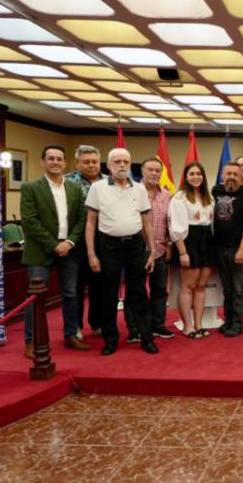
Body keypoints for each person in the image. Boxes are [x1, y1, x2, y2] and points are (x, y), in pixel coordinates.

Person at [85, 148, 158, 355]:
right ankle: (110, 340)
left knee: (139, 293)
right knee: (108, 294)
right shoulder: (97, 188)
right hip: (108, 246)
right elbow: (90, 224)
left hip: (135, 245)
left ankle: (146, 338)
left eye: (126, 161)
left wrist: (152, 251)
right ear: (108, 165)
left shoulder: (139, 188)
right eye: (117, 161)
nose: (122, 165)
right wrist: (91, 254)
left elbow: (147, 223)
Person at [21, 145, 90, 359]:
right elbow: (29, 221)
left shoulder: (74, 188)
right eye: (51, 158)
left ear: (65, 163)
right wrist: (54, 245)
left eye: (59, 159)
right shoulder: (31, 187)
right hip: (40, 251)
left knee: (70, 294)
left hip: (69, 250)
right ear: (43, 162)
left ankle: (71, 335)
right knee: (36, 298)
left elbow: (82, 218)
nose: (55, 162)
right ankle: (31, 341)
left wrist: (69, 242)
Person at [123, 158, 174, 342]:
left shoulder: (167, 195)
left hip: (160, 250)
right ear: (142, 171)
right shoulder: (132, 192)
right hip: (136, 251)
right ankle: (135, 329)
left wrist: (169, 245)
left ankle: (157, 325)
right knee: (135, 291)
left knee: (160, 290)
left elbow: (170, 222)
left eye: (157, 170)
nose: (154, 173)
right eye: (150, 170)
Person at [169, 161, 215, 339]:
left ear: (203, 177)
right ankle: (187, 326)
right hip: (189, 241)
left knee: (201, 286)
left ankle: (199, 324)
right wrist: (182, 252)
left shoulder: (208, 198)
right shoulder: (179, 198)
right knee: (188, 286)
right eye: (192, 174)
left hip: (207, 242)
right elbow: (175, 227)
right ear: (186, 177)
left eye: (199, 173)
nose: (196, 177)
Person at [212, 161, 243, 337]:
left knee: (238, 289)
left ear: (241, 176)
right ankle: (228, 320)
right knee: (227, 288)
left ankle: (237, 324)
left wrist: (242, 248)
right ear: (223, 175)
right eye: (228, 173)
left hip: (238, 248)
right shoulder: (216, 190)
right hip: (218, 247)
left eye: (235, 174)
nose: (231, 177)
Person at [65, 144, 104, 339]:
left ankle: (97, 324)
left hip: (103, 241)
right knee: (76, 288)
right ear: (77, 163)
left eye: (94, 162)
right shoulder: (66, 182)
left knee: (99, 287)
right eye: (86, 162)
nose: (91, 165)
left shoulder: (109, 182)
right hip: (76, 242)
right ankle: (76, 327)